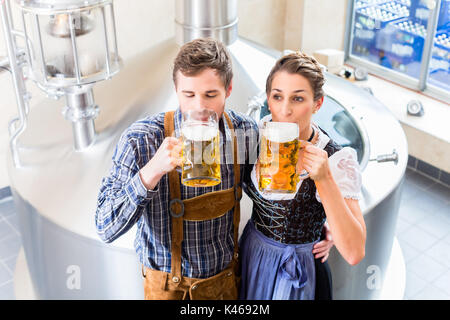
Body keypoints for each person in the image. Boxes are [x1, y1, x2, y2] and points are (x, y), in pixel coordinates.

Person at [95, 37, 334, 300]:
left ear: (228, 90)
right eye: (189, 95)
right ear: (176, 89)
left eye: (211, 95)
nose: (200, 107)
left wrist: (323, 224)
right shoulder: (142, 140)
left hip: (226, 285)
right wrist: (151, 172)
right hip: (167, 288)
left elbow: (270, 192)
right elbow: (105, 228)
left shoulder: (244, 133)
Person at [239, 52, 367, 300]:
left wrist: (325, 180)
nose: (285, 110)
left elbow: (353, 252)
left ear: (318, 104)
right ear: (268, 99)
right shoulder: (253, 136)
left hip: (298, 272)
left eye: (298, 98)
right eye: (277, 97)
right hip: (252, 258)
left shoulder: (335, 158)